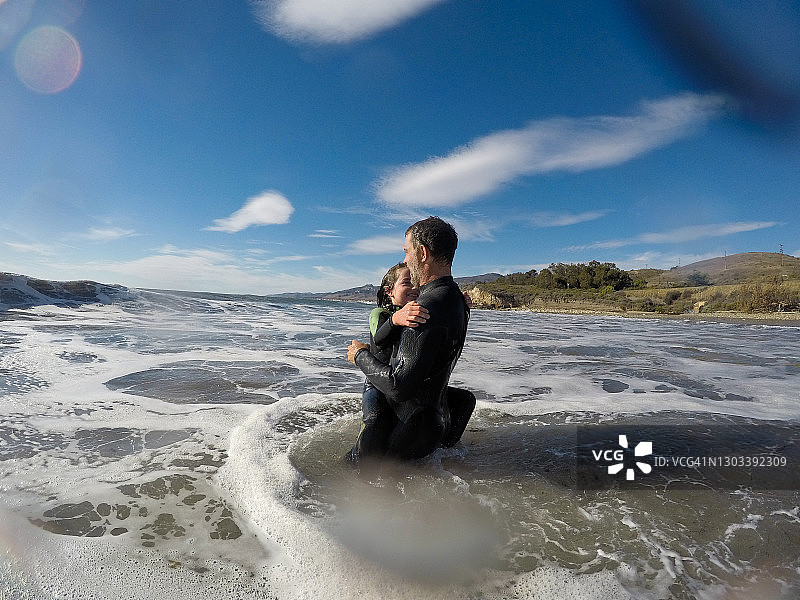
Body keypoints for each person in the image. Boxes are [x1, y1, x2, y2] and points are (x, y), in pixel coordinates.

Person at [347, 216, 475, 460]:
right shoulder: (457, 300)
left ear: (423, 253)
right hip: (435, 424)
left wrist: (359, 355)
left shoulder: (424, 309)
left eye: (407, 252)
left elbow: (398, 387)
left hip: (407, 431)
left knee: (355, 479)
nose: (405, 259)